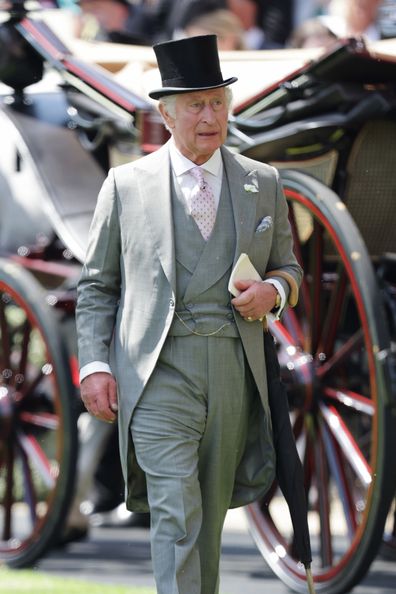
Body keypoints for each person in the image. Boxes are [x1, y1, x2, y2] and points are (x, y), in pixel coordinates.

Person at [76, 34, 302, 594]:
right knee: (176, 518)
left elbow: (291, 270)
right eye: (197, 104)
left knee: (207, 524)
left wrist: (273, 291)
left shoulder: (262, 182)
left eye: (219, 103)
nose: (211, 116)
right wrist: (94, 365)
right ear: (167, 113)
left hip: (232, 371)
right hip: (157, 375)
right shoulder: (126, 186)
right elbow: (97, 286)